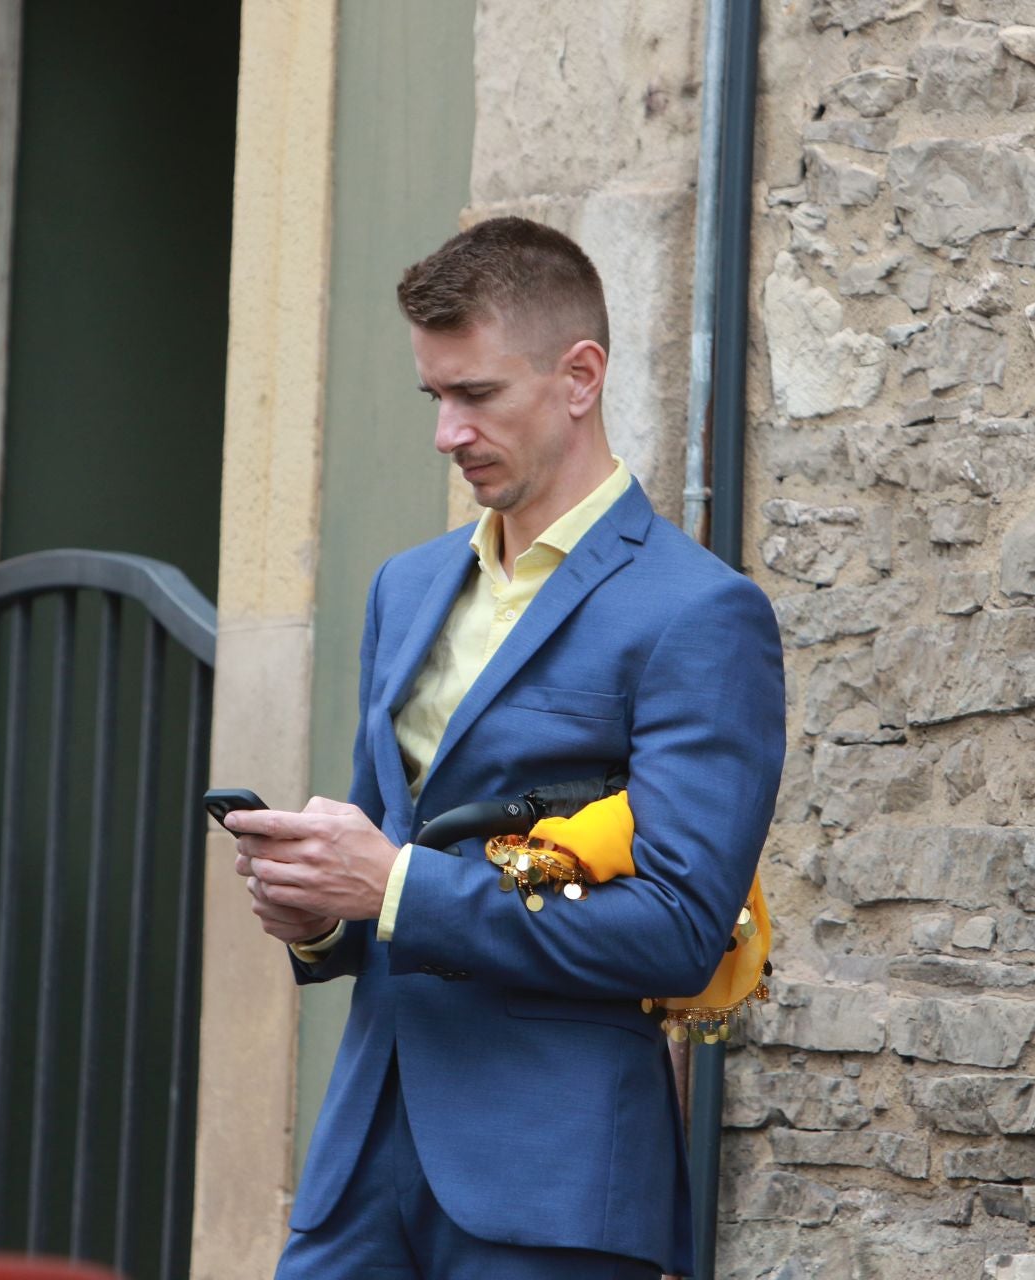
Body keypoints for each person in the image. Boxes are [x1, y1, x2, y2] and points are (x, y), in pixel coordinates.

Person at [225, 216, 785, 1279]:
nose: (446, 431)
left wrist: (392, 885)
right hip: (359, 1165)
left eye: (476, 394)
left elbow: (674, 928)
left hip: (552, 1180)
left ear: (580, 377)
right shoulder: (406, 585)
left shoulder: (700, 614)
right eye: (434, 396)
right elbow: (382, 869)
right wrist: (315, 914)